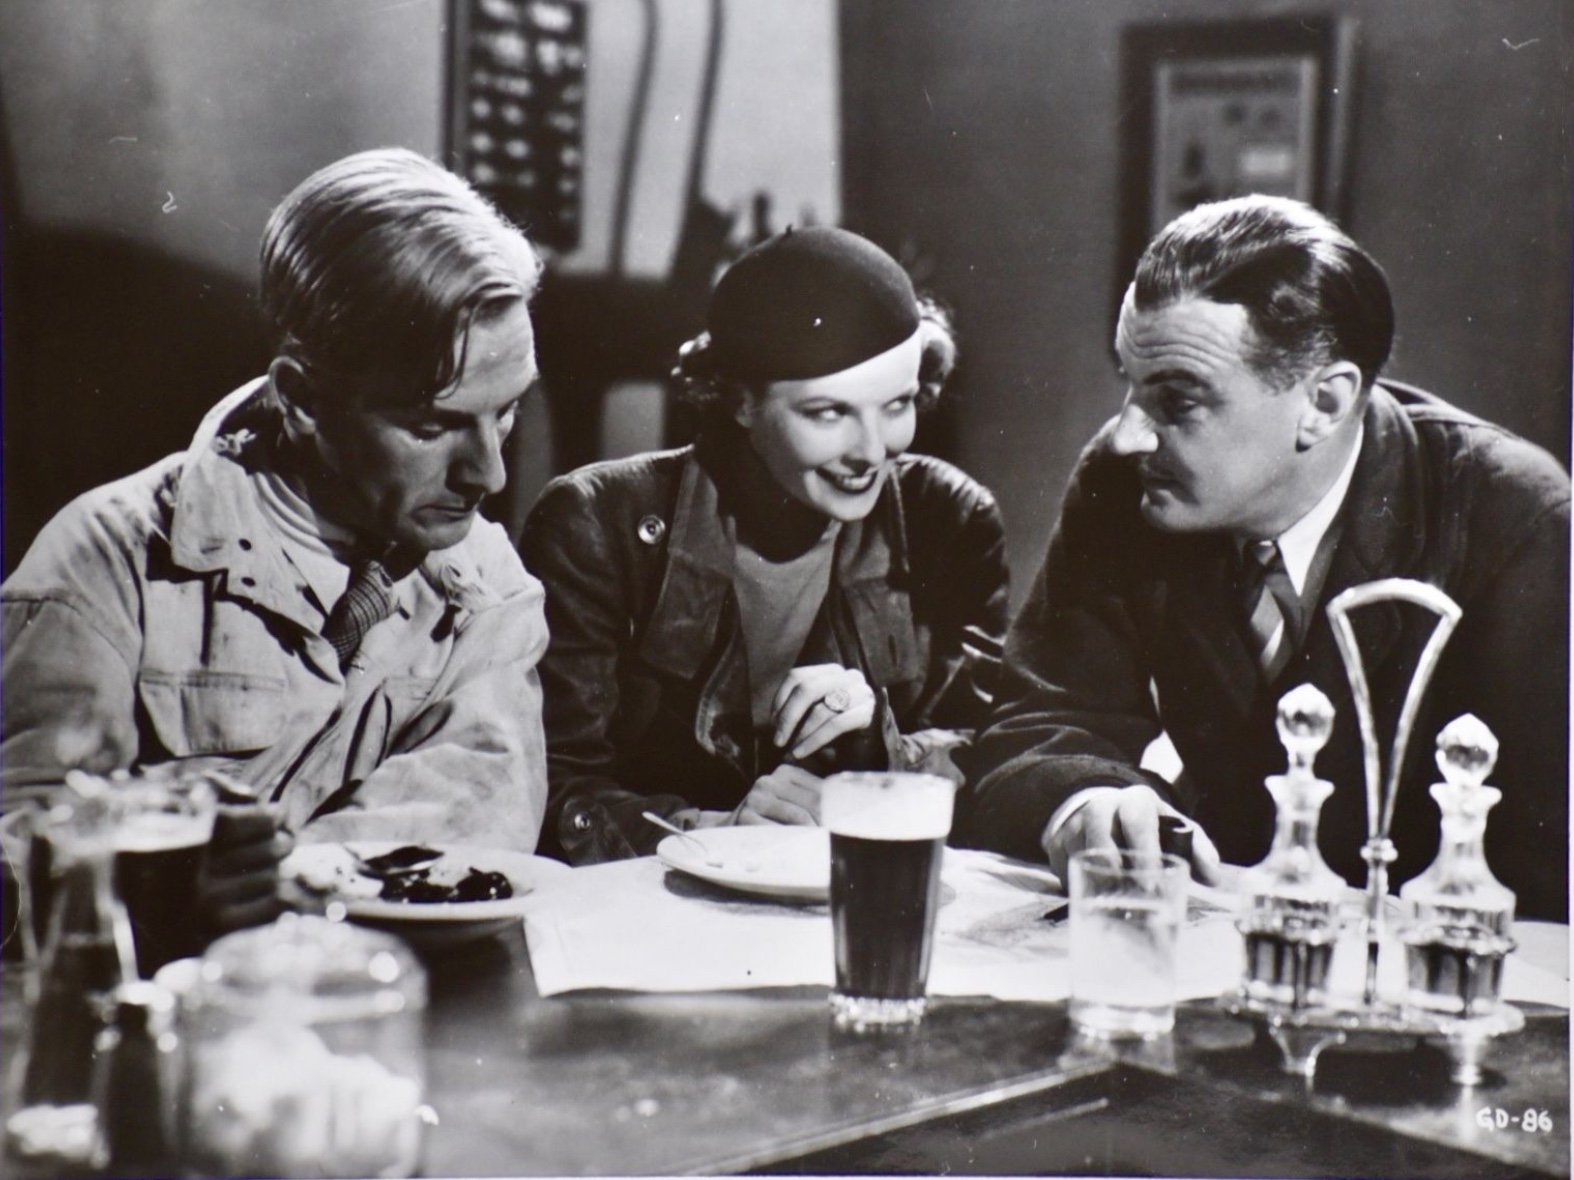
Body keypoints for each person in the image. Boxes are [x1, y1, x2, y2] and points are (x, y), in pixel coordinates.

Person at [956, 195, 1570, 921]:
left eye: (1177, 402)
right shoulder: (1127, 487)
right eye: (1129, 382)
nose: (1127, 435)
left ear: (1325, 403)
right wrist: (1086, 799)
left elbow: (1548, 879)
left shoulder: (1519, 524)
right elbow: (1038, 718)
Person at [1, 148, 551, 934]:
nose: (489, 474)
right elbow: (14, 866)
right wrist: (158, 889)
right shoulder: (106, 564)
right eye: (432, 426)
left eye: (505, 412)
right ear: (299, 399)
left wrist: (264, 884)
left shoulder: (486, 582)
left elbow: (473, 830)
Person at [521, 226, 1009, 863]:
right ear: (741, 401)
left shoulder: (949, 519)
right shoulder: (596, 526)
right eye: (828, 413)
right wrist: (711, 833)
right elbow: (548, 790)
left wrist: (879, 747)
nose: (872, 451)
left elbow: (993, 754)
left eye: (897, 405)